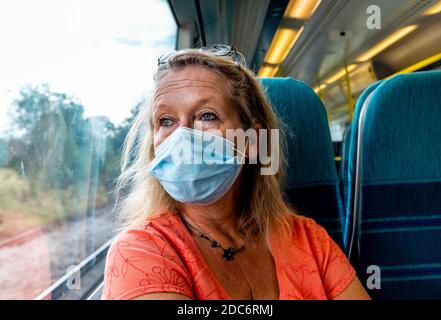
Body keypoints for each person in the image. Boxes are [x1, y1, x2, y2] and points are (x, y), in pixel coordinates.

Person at [101, 45, 371, 300]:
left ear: (252, 142)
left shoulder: (309, 240)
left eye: (206, 116)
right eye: (166, 121)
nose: (181, 136)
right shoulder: (140, 251)